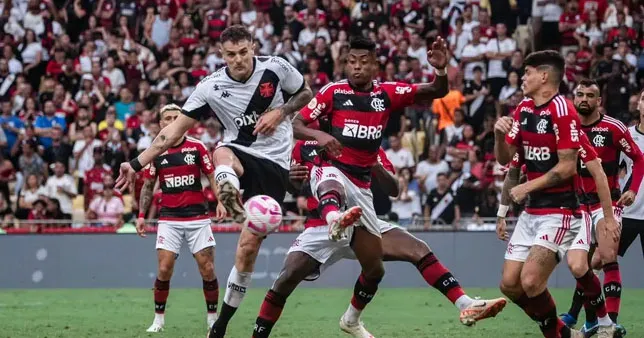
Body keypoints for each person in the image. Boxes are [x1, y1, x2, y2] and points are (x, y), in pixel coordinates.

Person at [113, 25, 313, 338]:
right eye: (231, 55)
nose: (238, 60)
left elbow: (305, 93)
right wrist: (136, 163)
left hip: (275, 164)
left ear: (252, 47)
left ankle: (221, 322)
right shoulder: (210, 87)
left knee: (246, 252)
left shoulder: (275, 67)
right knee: (221, 152)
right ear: (221, 55)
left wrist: (282, 112)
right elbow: (171, 133)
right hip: (238, 153)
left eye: (244, 52)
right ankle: (229, 193)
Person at [250, 138, 507, 338]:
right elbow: (294, 187)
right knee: (284, 282)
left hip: (362, 220)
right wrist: (291, 180)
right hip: (320, 227)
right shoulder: (307, 145)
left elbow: (394, 189)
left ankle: (463, 303)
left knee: (415, 250)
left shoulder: (369, 145)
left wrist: (373, 163)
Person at [291, 35, 449, 337]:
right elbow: (297, 127)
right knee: (285, 281)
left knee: (378, 268)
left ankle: (351, 320)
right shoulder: (329, 98)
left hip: (361, 205)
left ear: (375, 65)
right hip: (318, 225)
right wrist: (315, 147)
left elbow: (436, 90)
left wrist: (440, 72)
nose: (358, 67)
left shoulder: (385, 99)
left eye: (364, 61)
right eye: (352, 61)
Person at [493, 50, 618, 338]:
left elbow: (568, 168)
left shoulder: (564, 112)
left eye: (527, 73)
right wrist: (499, 135)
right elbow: (506, 162)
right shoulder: (523, 108)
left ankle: (601, 323)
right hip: (531, 212)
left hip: (564, 210)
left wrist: (608, 217)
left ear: (544, 76)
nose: (522, 78)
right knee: (510, 285)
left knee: (540, 278)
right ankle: (565, 331)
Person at [559, 80, 642, 334]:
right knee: (582, 265)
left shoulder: (613, 128)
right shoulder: (564, 128)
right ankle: (587, 318)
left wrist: (631, 189)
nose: (584, 99)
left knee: (607, 256)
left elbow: (639, 158)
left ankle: (611, 324)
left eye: (590, 95)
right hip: (577, 206)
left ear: (599, 101)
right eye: (580, 94)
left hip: (608, 205)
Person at [135, 104, 226, 332]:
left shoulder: (197, 147)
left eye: (178, 117)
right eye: (169, 118)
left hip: (198, 219)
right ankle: (158, 320)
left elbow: (212, 176)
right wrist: (141, 215)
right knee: (164, 269)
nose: (174, 121)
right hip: (169, 219)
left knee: (207, 269)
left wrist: (222, 201)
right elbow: (147, 186)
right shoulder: (156, 151)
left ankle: (212, 319)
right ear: (161, 124)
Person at [618, 89, 644, 263]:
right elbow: (611, 170)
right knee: (601, 258)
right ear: (639, 104)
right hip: (628, 211)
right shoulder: (626, 135)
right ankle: (591, 289)